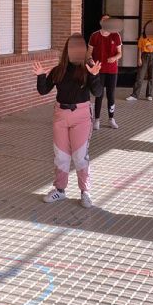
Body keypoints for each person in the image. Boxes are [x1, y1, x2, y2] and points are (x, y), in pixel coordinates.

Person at [34, 33, 103, 208]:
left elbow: (98, 92)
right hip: (61, 115)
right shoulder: (59, 70)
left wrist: (94, 75)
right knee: (61, 156)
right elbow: (43, 90)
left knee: (80, 156)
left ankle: (85, 192)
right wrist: (41, 75)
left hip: (81, 116)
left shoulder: (88, 69)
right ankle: (59, 190)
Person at [88, 17, 122, 130]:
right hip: (99, 70)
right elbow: (89, 53)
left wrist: (114, 57)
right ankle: (96, 120)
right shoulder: (95, 36)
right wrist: (90, 60)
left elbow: (119, 53)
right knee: (99, 94)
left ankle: (111, 118)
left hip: (112, 70)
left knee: (111, 95)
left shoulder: (116, 35)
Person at [127, 21, 153, 101]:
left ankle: (149, 94)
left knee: (151, 76)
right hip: (144, 56)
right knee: (140, 76)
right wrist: (139, 58)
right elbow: (139, 48)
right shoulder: (143, 37)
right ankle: (134, 95)